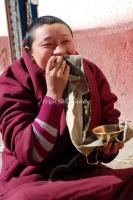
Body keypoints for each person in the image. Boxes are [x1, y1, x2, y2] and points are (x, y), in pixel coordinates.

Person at [0, 15, 132, 200]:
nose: (61, 50)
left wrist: (108, 148)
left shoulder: (90, 72)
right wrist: (53, 95)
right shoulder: (13, 81)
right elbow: (30, 152)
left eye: (66, 42)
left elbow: (107, 123)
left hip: (85, 174)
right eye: (48, 45)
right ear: (29, 52)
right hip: (35, 181)